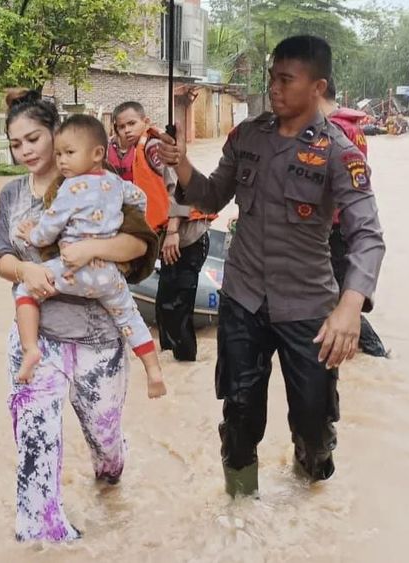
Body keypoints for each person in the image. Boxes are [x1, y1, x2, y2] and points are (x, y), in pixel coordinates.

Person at [159, 35, 385, 496]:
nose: (274, 88)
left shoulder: (338, 151)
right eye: (272, 78)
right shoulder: (248, 136)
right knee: (239, 414)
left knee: (314, 423)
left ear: (317, 85)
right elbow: (212, 195)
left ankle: (312, 491)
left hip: (308, 307)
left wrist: (349, 307)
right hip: (243, 299)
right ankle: (240, 509)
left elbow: (368, 235)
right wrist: (181, 166)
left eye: (286, 80)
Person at [0, 90, 159, 542]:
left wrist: (91, 249)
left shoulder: (101, 183)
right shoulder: (11, 194)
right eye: (15, 143)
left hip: (98, 334)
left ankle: (110, 472)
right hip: (37, 334)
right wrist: (25, 268)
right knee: (35, 440)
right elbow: (2, 259)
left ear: (57, 135)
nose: (26, 151)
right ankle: (42, 534)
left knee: (106, 444)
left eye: (34, 139)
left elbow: (140, 247)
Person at [12, 114, 167, 398]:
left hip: (73, 271)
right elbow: (140, 198)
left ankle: (31, 349)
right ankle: (154, 370)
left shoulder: (70, 187)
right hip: (108, 274)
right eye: (59, 154)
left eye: (69, 153)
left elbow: (48, 231)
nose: (62, 161)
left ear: (97, 153)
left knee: (26, 290)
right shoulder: (117, 184)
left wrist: (30, 234)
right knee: (130, 317)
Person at [108, 101, 214, 362]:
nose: (127, 131)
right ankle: (168, 359)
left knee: (177, 305)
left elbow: (179, 187)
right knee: (165, 301)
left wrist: (173, 232)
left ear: (145, 121)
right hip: (165, 235)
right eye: (121, 127)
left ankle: (185, 359)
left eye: (132, 124)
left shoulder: (155, 149)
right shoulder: (125, 153)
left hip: (187, 236)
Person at [318, 80, 389, 359]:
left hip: (335, 223)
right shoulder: (353, 126)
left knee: (336, 291)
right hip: (347, 219)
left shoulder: (334, 130)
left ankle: (374, 351)